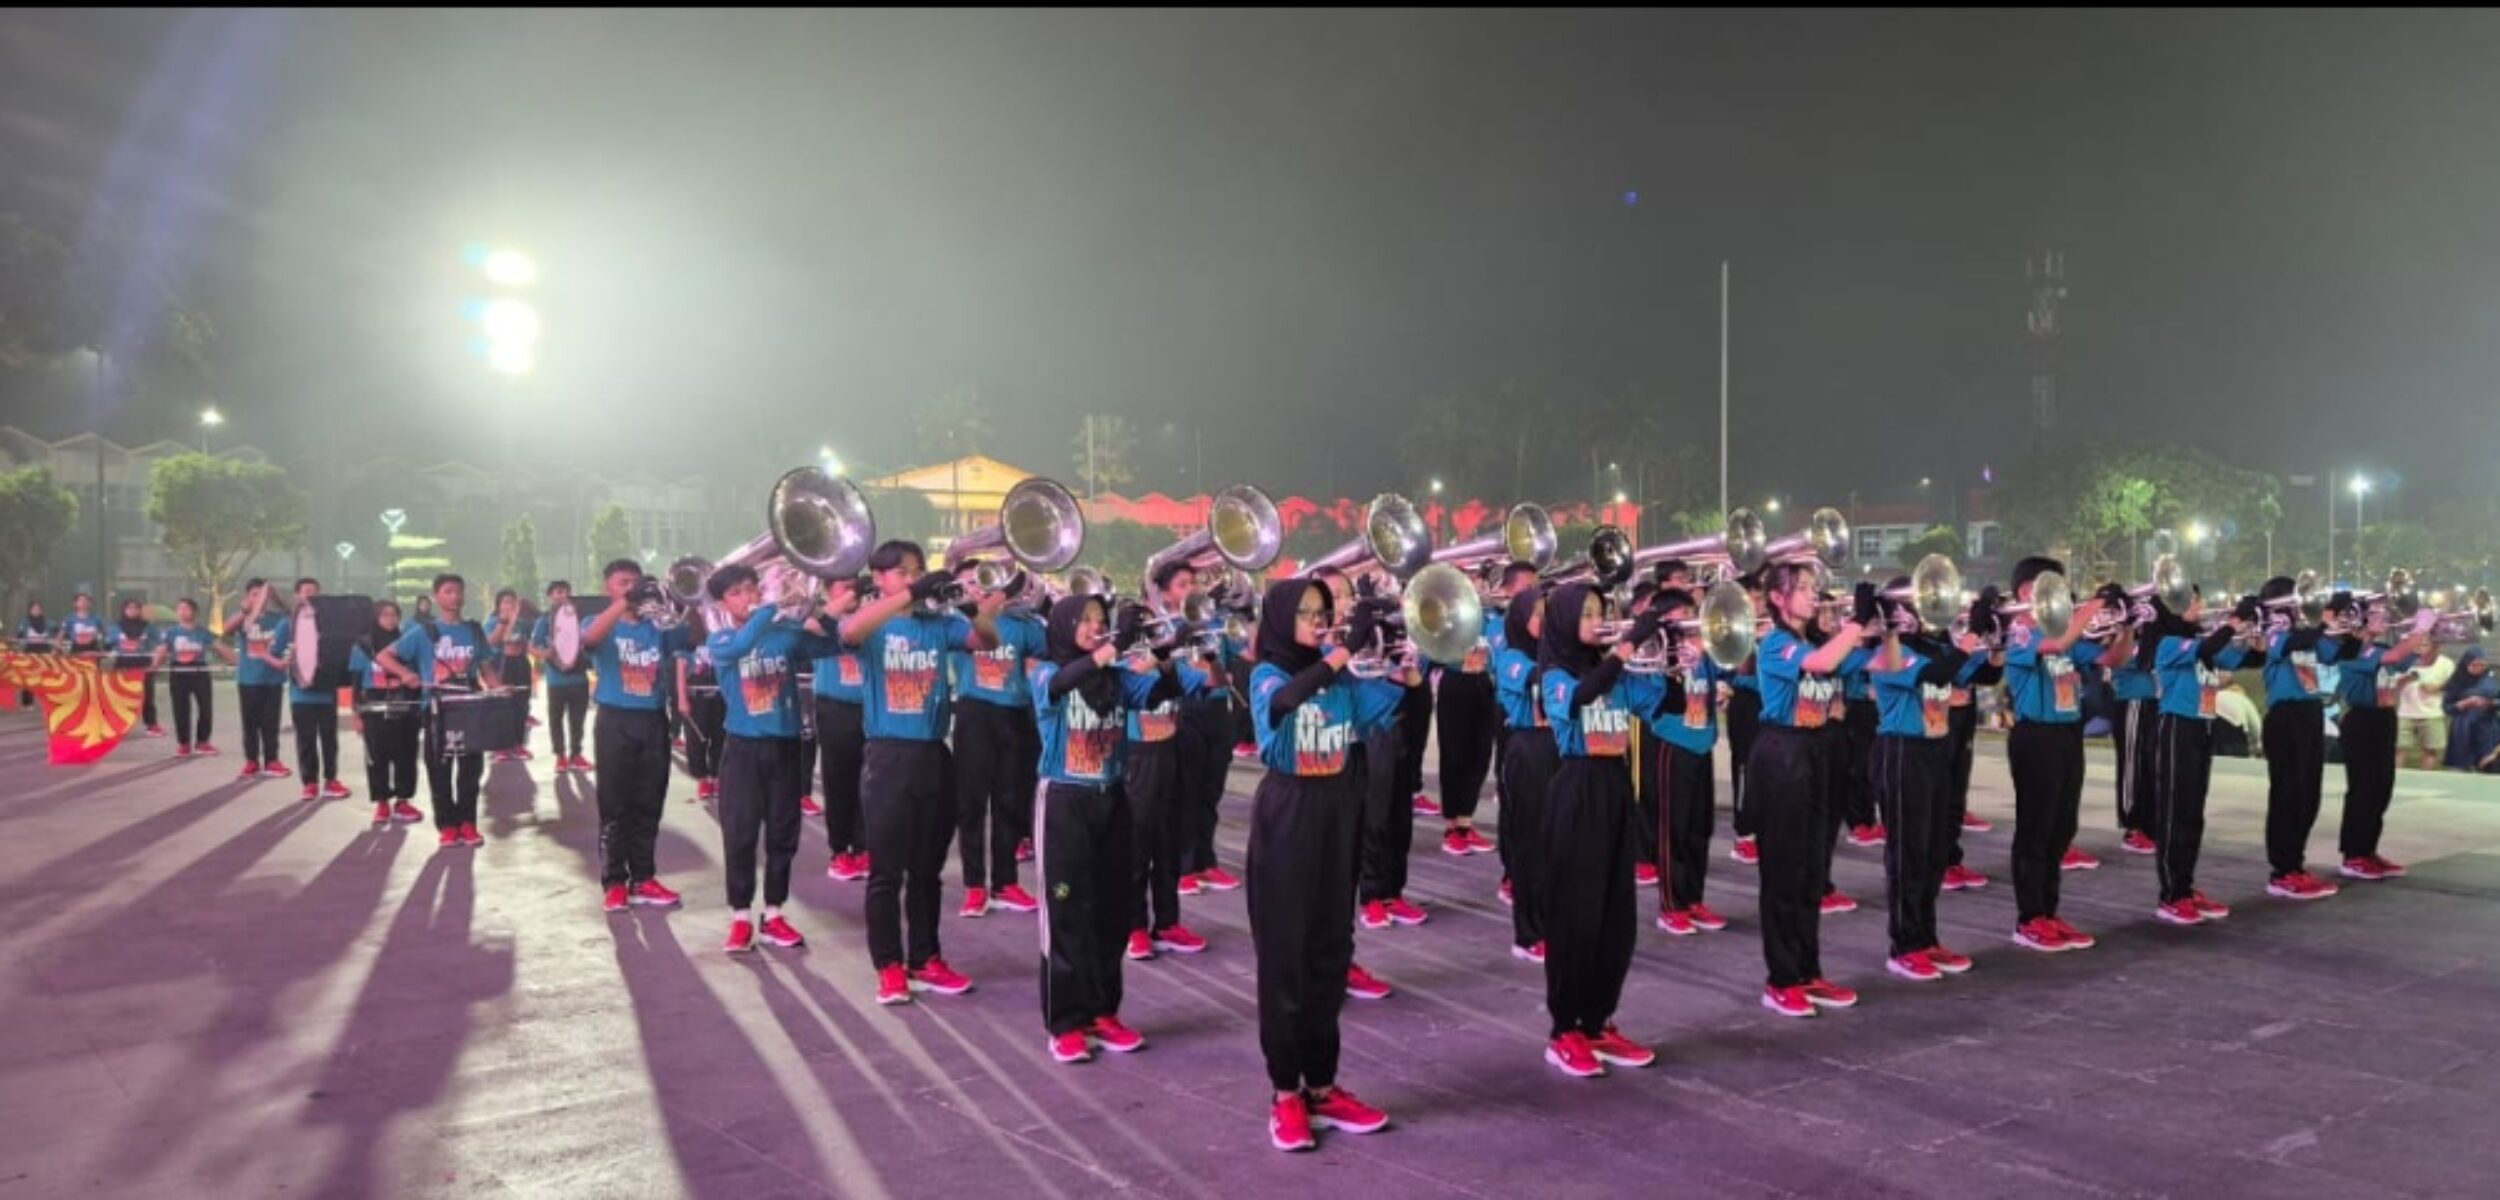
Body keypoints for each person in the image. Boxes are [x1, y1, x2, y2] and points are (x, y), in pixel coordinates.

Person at [1246, 577, 1407, 1152]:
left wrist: (1408, 662)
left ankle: (1322, 1084)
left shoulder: (1340, 680)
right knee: (1285, 959)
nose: (1320, 620)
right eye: (1307, 612)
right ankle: (1285, 1092)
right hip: (1288, 812)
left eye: (1324, 610)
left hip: (1338, 811)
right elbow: (1282, 704)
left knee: (1328, 954)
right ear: (1281, 618)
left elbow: (1393, 707)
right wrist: (1343, 651)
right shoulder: (1269, 673)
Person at [1029, 593, 1198, 1063]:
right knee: (1066, 915)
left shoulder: (1117, 678)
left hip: (1112, 799)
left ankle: (1102, 1011)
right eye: (1084, 620)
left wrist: (1165, 654)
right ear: (1064, 626)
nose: (1093, 626)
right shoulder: (1046, 672)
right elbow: (1065, 681)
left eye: (1100, 620)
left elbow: (1164, 693)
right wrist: (1115, 646)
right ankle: (1065, 1021)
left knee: (1110, 913)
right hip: (1064, 801)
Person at [840, 540, 1004, 1006]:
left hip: (934, 754)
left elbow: (987, 642)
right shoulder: (874, 623)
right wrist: (909, 594)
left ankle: (925, 958)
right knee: (886, 872)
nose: (913, 578)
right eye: (903, 571)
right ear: (880, 578)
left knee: (928, 870)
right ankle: (889, 966)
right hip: (888, 756)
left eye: (917, 571)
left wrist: (971, 606)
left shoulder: (938, 624)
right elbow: (849, 631)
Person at [1535, 581, 1666, 1078]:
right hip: (1577, 789)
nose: (1597, 620)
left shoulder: (1611, 671)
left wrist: (1676, 657)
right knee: (1577, 915)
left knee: (1617, 919)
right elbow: (1577, 699)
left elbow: (1661, 702)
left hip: (1615, 788)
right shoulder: (1555, 673)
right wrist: (1627, 644)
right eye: (1586, 613)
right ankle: (1564, 1028)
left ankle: (1597, 1019)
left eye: (1600, 611)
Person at [1748, 561, 1870, 1019]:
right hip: (1782, 753)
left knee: (1812, 869)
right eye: (1801, 588)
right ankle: (1781, 978)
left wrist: (1890, 628)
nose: (1812, 595)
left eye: (1812, 587)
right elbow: (1821, 664)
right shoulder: (1775, 643)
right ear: (1778, 599)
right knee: (1783, 870)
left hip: (1818, 752)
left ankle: (1807, 969)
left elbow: (1887, 663)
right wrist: (1857, 622)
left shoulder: (1817, 642)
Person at [707, 564, 848, 953]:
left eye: (751, 589)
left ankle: (774, 914)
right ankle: (740, 917)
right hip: (742, 749)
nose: (747, 598)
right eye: (736, 593)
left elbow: (832, 647)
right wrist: (771, 605)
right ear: (721, 604)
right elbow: (740, 647)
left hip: (785, 747)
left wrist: (823, 615)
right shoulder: (720, 639)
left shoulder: (783, 633)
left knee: (783, 835)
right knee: (740, 834)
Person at [1995, 559, 2118, 953]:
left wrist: (2127, 625)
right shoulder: (2019, 633)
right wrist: (2095, 605)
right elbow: (2057, 645)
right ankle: (2029, 918)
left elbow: (2112, 660)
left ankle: (2049, 911)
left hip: (2067, 734)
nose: (2063, 596)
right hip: (2035, 736)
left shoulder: (2062, 631)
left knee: (2061, 828)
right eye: (2052, 588)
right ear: (2025, 593)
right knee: (2035, 829)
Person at [1865, 590, 1985, 982]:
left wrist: (1994, 637)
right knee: (1908, 852)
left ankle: (1926, 937)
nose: (1915, 613)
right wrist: (1972, 634)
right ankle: (1904, 945)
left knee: (1934, 850)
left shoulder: (1933, 649)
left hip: (1935, 749)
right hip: (1902, 750)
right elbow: (1936, 675)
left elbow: (1983, 674)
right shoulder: (1889, 652)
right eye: (1905, 607)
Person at [578, 559, 692, 911]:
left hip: (653, 720)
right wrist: (626, 601)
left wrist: (686, 599)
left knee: (649, 803)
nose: (631, 588)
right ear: (608, 588)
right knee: (615, 805)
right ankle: (614, 882)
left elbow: (690, 639)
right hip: (615, 721)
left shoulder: (657, 626)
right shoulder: (598, 622)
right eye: (623, 582)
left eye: (636, 582)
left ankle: (643, 878)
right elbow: (589, 639)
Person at [2147, 590, 2256, 925]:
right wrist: (2234, 620)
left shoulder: (2200, 644)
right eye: (2193, 602)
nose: (2200, 606)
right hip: (2177, 726)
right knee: (2174, 813)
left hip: (2202, 727)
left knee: (2193, 814)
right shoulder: (2167, 642)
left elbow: (2244, 659)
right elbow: (2208, 648)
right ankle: (2171, 895)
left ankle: (2186, 885)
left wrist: (2255, 631)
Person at [949, 559, 1049, 919]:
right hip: (974, 714)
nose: (979, 588)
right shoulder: (959, 622)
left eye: (985, 581)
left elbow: (1044, 661)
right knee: (971, 803)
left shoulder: (1025, 625)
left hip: (1014, 715)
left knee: (1010, 800)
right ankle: (975, 885)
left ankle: (1005, 882)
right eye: (972, 582)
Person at [1116, 591, 1211, 960]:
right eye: (1142, 624)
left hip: (1171, 753)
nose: (1149, 629)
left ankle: (1168, 923)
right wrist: (1161, 650)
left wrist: (1210, 656)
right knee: (1136, 847)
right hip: (1136, 758)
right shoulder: (1118, 663)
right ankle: (1134, 926)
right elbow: (1129, 679)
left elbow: (1212, 684)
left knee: (1169, 845)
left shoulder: (1168, 662)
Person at [374, 574, 498, 848]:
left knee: (470, 769)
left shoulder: (474, 631)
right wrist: (406, 674)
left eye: (459, 591)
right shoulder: (423, 632)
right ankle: (448, 826)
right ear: (436, 596)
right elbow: (384, 656)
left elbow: (486, 669)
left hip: (470, 709)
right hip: (436, 711)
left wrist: (500, 690)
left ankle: (468, 823)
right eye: (448, 591)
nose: (455, 596)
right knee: (439, 769)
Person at [1644, 588, 1732, 937]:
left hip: (1702, 743)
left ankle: (1694, 899)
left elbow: (1728, 670)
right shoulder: (1656, 651)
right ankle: (1671, 905)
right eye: (1686, 614)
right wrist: (1677, 661)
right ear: (1667, 619)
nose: (1694, 621)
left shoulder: (1702, 650)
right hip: (1673, 743)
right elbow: (1655, 699)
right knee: (1674, 830)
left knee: (1700, 829)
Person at [2330, 596, 2437, 879]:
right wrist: (2419, 629)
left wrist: (2429, 633)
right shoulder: (2352, 650)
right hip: (2361, 720)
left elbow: (2424, 659)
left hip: (2384, 718)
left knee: (2381, 788)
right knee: (2363, 788)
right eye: (2376, 614)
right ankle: (2353, 855)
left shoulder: (2380, 648)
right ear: (2359, 620)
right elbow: (2394, 658)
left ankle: (2368, 850)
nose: (2384, 617)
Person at [2253, 576, 2347, 901]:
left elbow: (2339, 653)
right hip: (2285, 717)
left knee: (2309, 794)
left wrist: (2352, 625)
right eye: (2294, 601)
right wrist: (2323, 619)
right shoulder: (2273, 632)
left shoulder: (2306, 634)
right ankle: (2282, 871)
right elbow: (2292, 644)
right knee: (2287, 795)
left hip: (2309, 713)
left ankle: (2296, 863)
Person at [1494, 584, 1553, 962]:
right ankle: (1529, 934)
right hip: (1528, 749)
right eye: (1539, 614)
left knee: (1558, 841)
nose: (1547, 621)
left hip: (1560, 747)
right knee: (1530, 842)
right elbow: (1540, 680)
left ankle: (1554, 921)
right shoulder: (1510, 658)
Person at [349, 601, 425, 827]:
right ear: (375, 618)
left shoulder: (407, 643)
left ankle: (403, 801)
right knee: (377, 756)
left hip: (405, 703)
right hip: (374, 705)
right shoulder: (363, 645)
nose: (390, 619)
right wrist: (356, 714)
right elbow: (355, 682)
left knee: (406, 755)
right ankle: (382, 802)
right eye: (385, 615)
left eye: (394, 615)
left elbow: (418, 674)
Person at [811, 592, 870, 882]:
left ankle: (864, 847)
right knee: (838, 782)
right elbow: (811, 626)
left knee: (868, 783)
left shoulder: (871, 614)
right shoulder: (820, 616)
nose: (852, 591)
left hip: (869, 708)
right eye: (844, 585)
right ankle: (839, 850)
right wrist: (846, 599)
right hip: (834, 708)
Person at [275, 601, 351, 802]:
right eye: (305, 591)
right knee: (306, 740)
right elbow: (277, 653)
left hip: (327, 694)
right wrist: (288, 658)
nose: (310, 596)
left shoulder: (330, 623)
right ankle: (310, 783)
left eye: (314, 592)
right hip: (301, 696)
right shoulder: (288, 624)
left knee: (329, 741)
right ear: (297, 596)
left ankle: (331, 780)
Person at [227, 579, 292, 780]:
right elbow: (226, 629)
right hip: (248, 679)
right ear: (247, 597)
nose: (260, 598)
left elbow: (293, 616)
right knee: (250, 724)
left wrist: (277, 598)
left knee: (271, 723)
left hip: (273, 679)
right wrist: (244, 611)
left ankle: (272, 760)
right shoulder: (244, 619)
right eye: (255, 594)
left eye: (262, 594)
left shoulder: (277, 619)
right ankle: (251, 761)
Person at [2108, 613, 2161, 855]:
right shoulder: (2125, 639)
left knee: (2151, 767)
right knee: (2132, 766)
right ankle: (2133, 827)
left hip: (2154, 704)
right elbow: (2136, 661)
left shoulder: (2154, 639)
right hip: (2133, 703)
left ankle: (2149, 824)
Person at [151, 598, 231, 756]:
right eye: (180, 609)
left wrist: (234, 660)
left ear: (194, 612)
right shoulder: (171, 633)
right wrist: (154, 666)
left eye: (186, 609)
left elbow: (219, 647)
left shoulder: (203, 632)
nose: (182, 612)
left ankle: (202, 742)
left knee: (205, 707)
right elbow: (161, 651)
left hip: (199, 671)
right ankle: (184, 744)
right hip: (178, 672)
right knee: (180, 709)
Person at [531, 581, 593, 774]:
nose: (563, 595)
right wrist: (545, 654)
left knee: (577, 720)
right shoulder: (544, 621)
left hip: (579, 679)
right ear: (550, 596)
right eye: (558, 592)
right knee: (555, 719)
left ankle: (576, 754)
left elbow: (589, 642)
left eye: (566, 592)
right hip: (556, 681)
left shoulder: (579, 618)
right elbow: (532, 647)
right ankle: (560, 756)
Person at [1726, 573, 1765, 866]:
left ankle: (1762, 828)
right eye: (1753, 599)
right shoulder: (1732, 628)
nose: (1759, 604)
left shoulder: (1772, 627)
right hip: (1746, 702)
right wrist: (1750, 635)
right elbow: (1739, 672)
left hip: (1766, 704)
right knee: (1744, 766)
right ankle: (1744, 835)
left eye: (1760, 598)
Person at [677, 608, 728, 803]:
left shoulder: (724, 632)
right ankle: (702, 778)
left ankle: (717, 776)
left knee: (720, 738)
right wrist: (682, 698)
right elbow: (681, 668)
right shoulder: (688, 637)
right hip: (696, 696)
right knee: (696, 741)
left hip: (721, 695)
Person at [483, 588, 537, 764]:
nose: (509, 605)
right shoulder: (492, 622)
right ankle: (500, 747)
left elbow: (527, 644)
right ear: (498, 605)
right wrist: (508, 621)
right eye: (505, 602)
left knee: (521, 705)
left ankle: (518, 744)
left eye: (513, 602)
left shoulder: (523, 623)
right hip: (500, 665)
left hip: (520, 664)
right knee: (502, 707)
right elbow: (492, 642)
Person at [2395, 646, 2454, 771]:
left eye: (2425, 644)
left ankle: (2426, 779)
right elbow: (2393, 684)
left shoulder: (2446, 663)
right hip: (2405, 713)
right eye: (2419, 643)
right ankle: (2395, 779)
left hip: (2432, 714)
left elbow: (2454, 684)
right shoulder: (2405, 660)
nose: (2421, 647)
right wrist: (2407, 678)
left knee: (2430, 751)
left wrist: (2436, 688)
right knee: (2398, 749)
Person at [111, 598, 164, 737]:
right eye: (129, 608)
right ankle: (119, 727)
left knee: (147, 697)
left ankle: (151, 725)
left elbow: (159, 646)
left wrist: (155, 664)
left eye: (136, 608)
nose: (133, 611)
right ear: (124, 610)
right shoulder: (115, 626)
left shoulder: (149, 627)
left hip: (143, 665)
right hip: (123, 666)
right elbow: (108, 645)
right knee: (121, 697)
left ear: (140, 610)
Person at [2444, 647, 2499, 772]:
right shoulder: (2456, 681)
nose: (2478, 668)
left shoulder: (2491, 679)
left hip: (2488, 729)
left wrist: (2489, 703)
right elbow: (2447, 707)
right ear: (2466, 664)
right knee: (2461, 768)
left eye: (2482, 665)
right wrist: (2463, 704)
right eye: (2474, 665)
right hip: (2463, 729)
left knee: (2488, 766)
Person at [14, 600, 52, 707]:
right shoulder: (24, 623)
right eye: (34, 609)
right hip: (29, 651)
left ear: (42, 610)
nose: (36, 611)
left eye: (38, 609)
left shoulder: (48, 623)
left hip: (45, 651)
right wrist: (19, 644)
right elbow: (19, 636)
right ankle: (27, 702)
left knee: (47, 676)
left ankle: (49, 700)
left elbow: (58, 633)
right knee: (28, 676)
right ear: (30, 611)